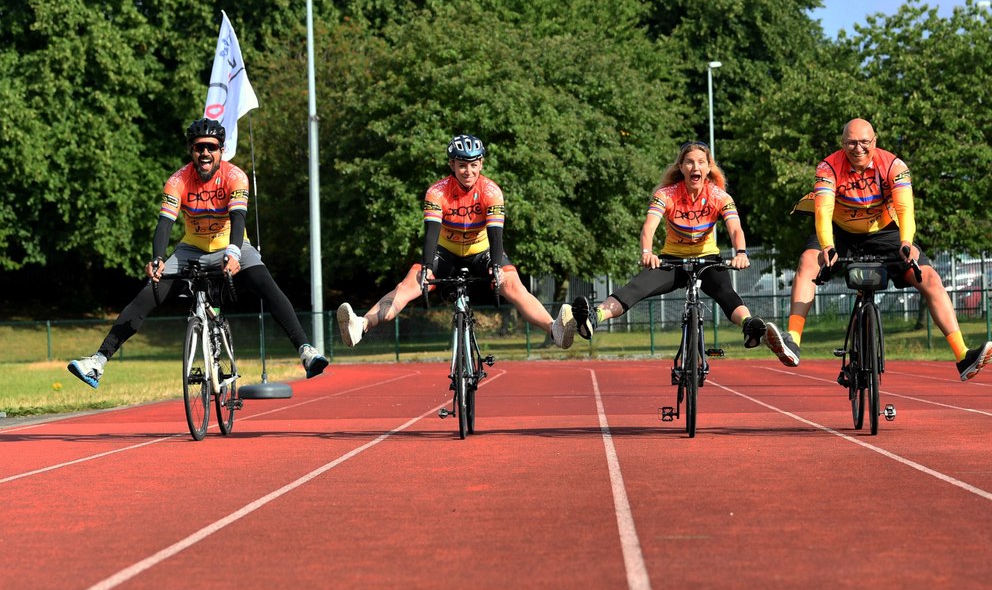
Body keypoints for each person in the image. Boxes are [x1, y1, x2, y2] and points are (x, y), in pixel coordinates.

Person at [67, 118, 329, 388]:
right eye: (198, 147)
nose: (205, 152)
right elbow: (164, 224)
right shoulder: (177, 181)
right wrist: (158, 259)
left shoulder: (235, 177)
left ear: (221, 150)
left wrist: (235, 253)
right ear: (191, 150)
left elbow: (238, 218)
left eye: (211, 147)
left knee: (267, 285)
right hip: (191, 249)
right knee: (149, 293)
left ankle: (306, 351)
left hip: (232, 244)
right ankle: (98, 361)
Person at [763, 118, 992, 381]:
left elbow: (906, 208)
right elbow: (823, 210)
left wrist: (906, 241)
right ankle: (792, 341)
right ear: (843, 143)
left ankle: (962, 354)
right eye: (851, 142)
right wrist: (827, 245)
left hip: (885, 231)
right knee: (808, 261)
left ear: (875, 142)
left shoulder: (894, 166)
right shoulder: (828, 167)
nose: (858, 148)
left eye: (864, 142)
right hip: (840, 231)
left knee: (930, 278)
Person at [336, 134, 572, 348]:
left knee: (512, 285)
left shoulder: (491, 192)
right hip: (445, 251)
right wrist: (427, 268)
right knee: (409, 286)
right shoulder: (437, 192)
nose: (467, 171)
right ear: (452, 165)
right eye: (461, 165)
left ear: (481, 164)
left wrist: (496, 268)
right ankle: (361, 325)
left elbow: (496, 234)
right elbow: (431, 233)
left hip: (482, 250)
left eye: (473, 165)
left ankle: (555, 330)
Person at [560, 140, 768, 348]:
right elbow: (649, 227)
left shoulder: (720, 197)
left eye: (701, 162)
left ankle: (749, 326)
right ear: (680, 167)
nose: (695, 167)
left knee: (726, 292)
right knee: (636, 287)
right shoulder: (666, 195)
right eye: (689, 162)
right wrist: (647, 252)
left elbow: (735, 229)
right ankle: (594, 318)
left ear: (708, 167)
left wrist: (741, 253)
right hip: (672, 260)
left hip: (707, 260)